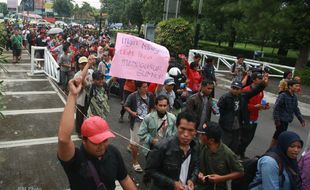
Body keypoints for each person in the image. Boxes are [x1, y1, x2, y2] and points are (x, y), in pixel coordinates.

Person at [57, 77, 137, 190]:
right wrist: (72, 95)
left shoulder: (113, 152)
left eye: (105, 140)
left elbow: (125, 179)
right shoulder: (76, 159)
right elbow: (64, 139)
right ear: (84, 140)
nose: (102, 146)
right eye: (96, 142)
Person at [145, 111, 199, 190]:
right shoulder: (162, 147)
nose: (186, 134)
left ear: (195, 131)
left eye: (191, 130)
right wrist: (172, 183)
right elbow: (150, 170)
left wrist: (192, 179)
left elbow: (196, 165)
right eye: (182, 129)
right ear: (177, 127)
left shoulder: (196, 146)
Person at [217, 74, 268, 156]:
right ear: (230, 88)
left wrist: (262, 84)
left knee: (234, 146)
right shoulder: (225, 98)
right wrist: (223, 121)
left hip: (237, 126)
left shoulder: (243, 96)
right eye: (233, 88)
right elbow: (218, 110)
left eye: (237, 89)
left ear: (241, 90)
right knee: (223, 146)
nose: (235, 90)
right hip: (226, 127)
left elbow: (254, 91)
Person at [197, 122, 244, 190]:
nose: (200, 135)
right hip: (201, 186)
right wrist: (198, 172)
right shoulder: (201, 146)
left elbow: (240, 172)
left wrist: (221, 178)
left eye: (203, 134)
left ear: (211, 140)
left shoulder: (227, 153)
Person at [124, 81, 155, 172]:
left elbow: (152, 107)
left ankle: (131, 145)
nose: (146, 88)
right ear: (138, 87)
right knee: (136, 143)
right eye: (144, 87)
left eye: (146, 86)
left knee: (140, 140)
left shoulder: (150, 95)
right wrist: (132, 113)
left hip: (146, 122)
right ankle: (135, 162)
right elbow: (126, 106)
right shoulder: (133, 96)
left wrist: (150, 115)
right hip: (136, 122)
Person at [239, 72, 270, 158]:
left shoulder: (261, 92)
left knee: (250, 138)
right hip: (246, 117)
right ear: (253, 80)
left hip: (255, 117)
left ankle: (241, 153)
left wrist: (264, 106)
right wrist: (254, 107)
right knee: (243, 138)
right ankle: (238, 154)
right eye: (259, 78)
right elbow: (242, 105)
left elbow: (260, 102)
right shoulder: (246, 90)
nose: (261, 80)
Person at [272, 80, 305, 147]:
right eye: (296, 86)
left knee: (279, 137)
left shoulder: (294, 97)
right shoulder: (283, 95)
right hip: (281, 120)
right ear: (290, 86)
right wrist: (277, 120)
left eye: (299, 86)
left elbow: (296, 109)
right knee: (278, 137)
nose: (298, 87)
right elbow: (276, 108)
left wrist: (301, 119)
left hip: (287, 120)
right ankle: (270, 151)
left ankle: (273, 151)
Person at [74, 56, 94, 136]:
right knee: (79, 116)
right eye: (82, 64)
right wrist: (83, 85)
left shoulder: (91, 72)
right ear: (79, 65)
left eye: (85, 63)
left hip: (90, 97)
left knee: (88, 115)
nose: (84, 65)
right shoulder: (77, 75)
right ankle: (79, 131)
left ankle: (87, 130)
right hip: (81, 97)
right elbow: (76, 88)